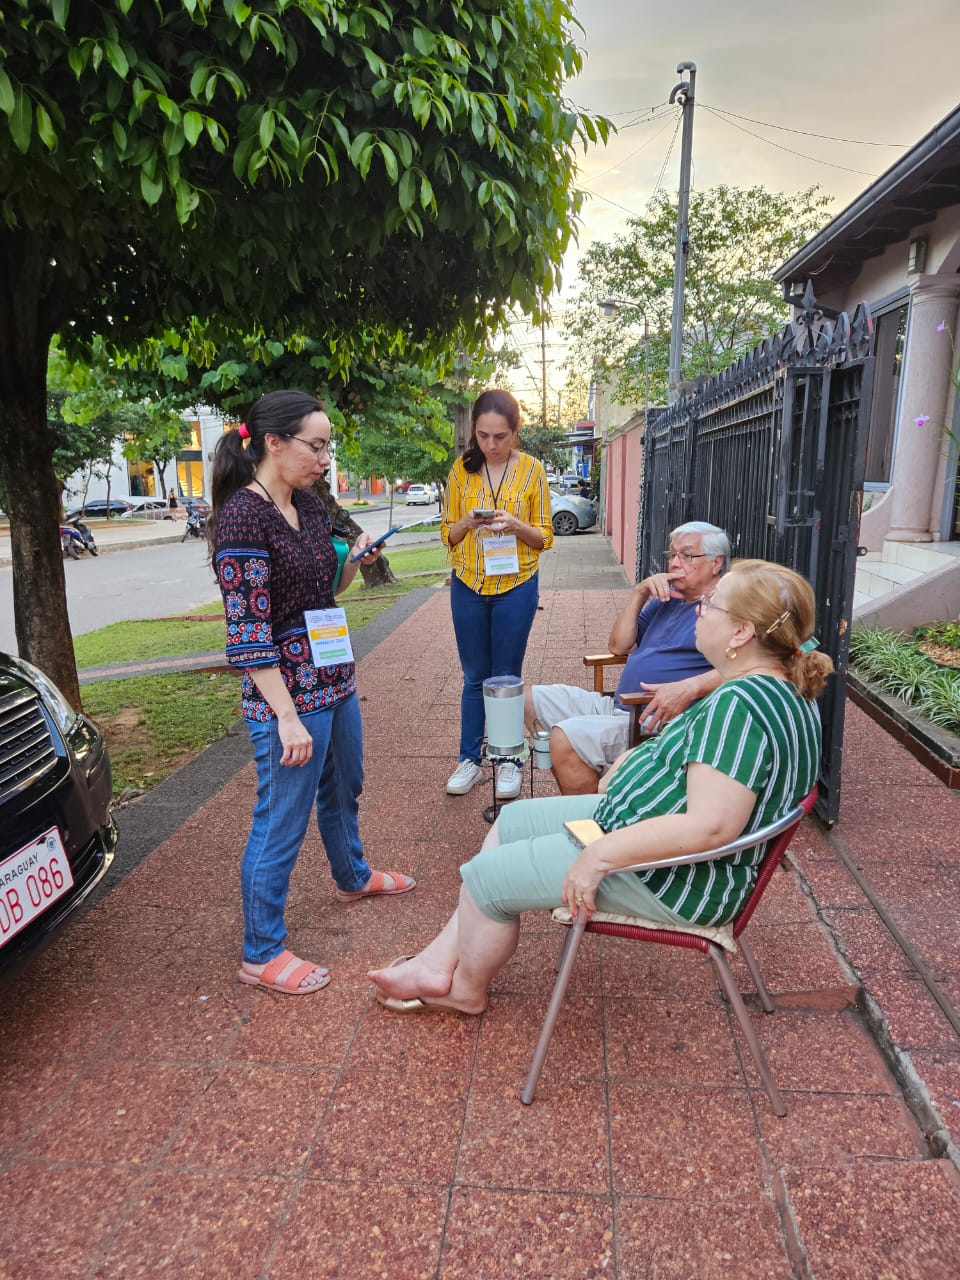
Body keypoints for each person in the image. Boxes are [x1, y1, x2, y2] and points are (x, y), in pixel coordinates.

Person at [368, 559, 833, 1014]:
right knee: (510, 822)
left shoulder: (740, 705)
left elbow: (711, 827)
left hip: (672, 877)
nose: (699, 609)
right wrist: (636, 760)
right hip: (643, 837)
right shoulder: (778, 686)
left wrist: (597, 857)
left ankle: (465, 989)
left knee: (483, 880)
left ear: (741, 633)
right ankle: (436, 962)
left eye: (712, 604)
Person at [209, 390, 416, 996]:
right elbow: (245, 635)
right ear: (274, 443)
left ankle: (352, 874)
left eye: (328, 446)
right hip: (288, 699)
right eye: (316, 445)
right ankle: (260, 951)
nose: (326, 458)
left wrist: (354, 559)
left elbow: (328, 588)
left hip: (333, 676)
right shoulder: (243, 517)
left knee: (345, 786)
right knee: (281, 819)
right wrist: (287, 718)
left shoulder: (307, 502)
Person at [525, 521, 730, 795]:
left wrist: (691, 687)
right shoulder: (666, 598)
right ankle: (590, 783)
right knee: (528, 701)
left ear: (716, 563)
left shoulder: (725, 609)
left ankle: (592, 820)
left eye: (687, 555)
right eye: (672, 555)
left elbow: (749, 667)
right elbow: (619, 646)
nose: (676, 563)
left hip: (653, 720)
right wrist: (640, 593)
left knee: (564, 737)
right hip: (618, 706)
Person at [442, 389, 554, 801]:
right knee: (474, 677)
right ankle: (469, 758)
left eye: (500, 436)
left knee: (506, 677)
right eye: (484, 436)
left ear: (515, 432)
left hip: (516, 584)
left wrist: (515, 524)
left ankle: (509, 761)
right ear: (474, 431)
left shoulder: (532, 470)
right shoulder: (460, 471)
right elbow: (447, 536)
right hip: (468, 582)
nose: (491, 445)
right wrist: (468, 523)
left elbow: (544, 537)